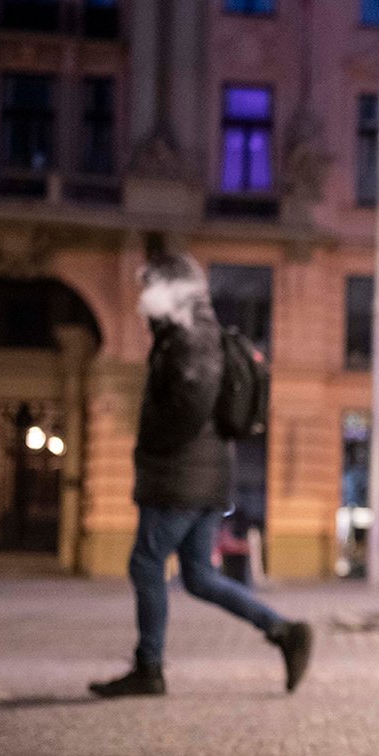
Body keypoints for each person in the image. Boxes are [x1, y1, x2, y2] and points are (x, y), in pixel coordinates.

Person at [90, 252, 312, 698]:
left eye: (149, 286)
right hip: (204, 476)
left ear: (171, 289)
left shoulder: (190, 336)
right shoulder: (192, 332)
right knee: (199, 576)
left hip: (181, 477)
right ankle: (283, 631)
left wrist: (152, 445)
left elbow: (190, 403)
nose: (142, 299)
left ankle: (149, 668)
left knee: (146, 563)